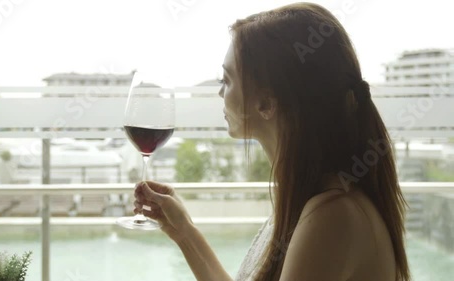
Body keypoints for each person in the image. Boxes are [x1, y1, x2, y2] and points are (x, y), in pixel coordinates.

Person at [134, 2, 411, 281]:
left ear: (266, 103)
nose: (220, 93)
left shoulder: (332, 217)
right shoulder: (313, 202)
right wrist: (184, 232)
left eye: (227, 80)